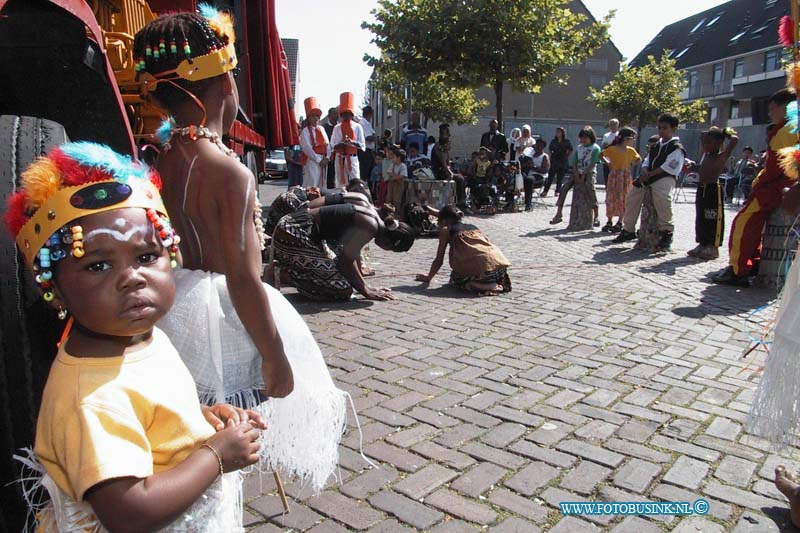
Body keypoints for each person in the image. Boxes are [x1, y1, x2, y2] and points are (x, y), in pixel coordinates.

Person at [135, 10, 347, 490]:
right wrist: (275, 355)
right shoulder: (230, 172)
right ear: (226, 86)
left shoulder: (160, 156)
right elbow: (242, 274)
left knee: (188, 427)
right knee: (229, 426)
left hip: (175, 309)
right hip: (223, 319)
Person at [6, 142, 264, 531]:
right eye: (98, 266)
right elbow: (129, 513)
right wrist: (216, 455)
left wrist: (204, 421)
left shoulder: (140, 336)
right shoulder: (89, 399)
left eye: (146, 257)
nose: (132, 277)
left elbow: (151, 419)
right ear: (55, 290)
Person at [712, 89, 797, 286]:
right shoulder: (788, 129)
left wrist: (759, 183)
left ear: (784, 108)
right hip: (781, 185)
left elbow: (777, 168)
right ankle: (751, 263)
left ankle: (738, 269)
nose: (770, 113)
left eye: (772, 108)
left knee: (744, 221)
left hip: (775, 187)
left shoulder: (786, 131)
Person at [272, 194, 416, 301]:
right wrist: (366, 291)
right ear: (389, 243)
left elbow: (351, 255)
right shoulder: (369, 226)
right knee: (342, 288)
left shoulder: (373, 219)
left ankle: (291, 270)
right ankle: (287, 274)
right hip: (293, 230)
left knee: (344, 280)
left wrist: (364, 286)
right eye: (390, 249)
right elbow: (345, 261)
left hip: (295, 227)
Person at [613, 113, 685, 251]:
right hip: (649, 176)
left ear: (674, 129)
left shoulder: (676, 147)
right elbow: (647, 160)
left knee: (662, 197)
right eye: (660, 128)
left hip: (665, 177)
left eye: (665, 128)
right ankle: (628, 229)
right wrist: (645, 170)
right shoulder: (657, 145)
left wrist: (651, 174)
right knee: (632, 196)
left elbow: (670, 165)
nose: (662, 131)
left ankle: (667, 231)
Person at [416, 205, 511, 295]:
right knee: (460, 273)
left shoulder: (446, 230)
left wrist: (428, 277)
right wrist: (426, 207)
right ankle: (494, 281)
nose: (438, 224)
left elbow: (439, 260)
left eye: (438, 221)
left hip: (484, 272)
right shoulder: (472, 227)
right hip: (499, 268)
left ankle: (488, 286)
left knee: (455, 280)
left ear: (444, 221)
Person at [689, 127, 739, 260]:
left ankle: (713, 246)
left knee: (712, 217)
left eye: (709, 143)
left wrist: (726, 133)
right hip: (702, 188)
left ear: (718, 143)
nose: (705, 146)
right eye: (704, 143)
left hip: (712, 190)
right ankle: (702, 242)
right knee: (701, 217)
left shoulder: (721, 156)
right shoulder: (706, 156)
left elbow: (735, 140)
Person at [550, 127, 602, 227]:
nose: (583, 140)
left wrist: (584, 174)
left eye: (585, 138)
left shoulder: (595, 148)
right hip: (577, 171)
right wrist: (576, 174)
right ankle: (559, 213)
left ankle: (596, 215)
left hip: (589, 172)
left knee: (591, 190)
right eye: (581, 138)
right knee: (564, 188)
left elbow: (593, 163)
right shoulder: (579, 148)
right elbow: (574, 162)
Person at [601, 127, 640, 232]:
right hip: (614, 176)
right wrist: (608, 163)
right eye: (632, 138)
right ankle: (609, 220)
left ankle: (619, 221)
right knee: (611, 197)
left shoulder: (631, 151)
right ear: (626, 138)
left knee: (624, 198)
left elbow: (638, 159)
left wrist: (631, 164)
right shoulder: (612, 149)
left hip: (625, 177)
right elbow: (601, 155)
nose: (633, 141)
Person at [330, 92, 366, 189]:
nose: (346, 116)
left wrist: (352, 143)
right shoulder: (337, 128)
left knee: (355, 180)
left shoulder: (357, 127)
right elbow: (332, 144)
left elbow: (362, 145)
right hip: (340, 157)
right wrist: (341, 145)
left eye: (348, 113)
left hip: (352, 157)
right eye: (344, 114)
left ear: (351, 114)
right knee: (340, 182)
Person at [299, 96, 330, 189]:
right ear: (308, 118)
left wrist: (327, 158)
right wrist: (318, 160)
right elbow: (306, 148)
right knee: (312, 182)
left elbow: (327, 145)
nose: (316, 118)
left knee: (322, 183)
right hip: (313, 160)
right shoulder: (305, 131)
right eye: (313, 116)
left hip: (323, 160)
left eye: (317, 116)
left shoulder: (322, 129)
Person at [542, 127, 573, 197]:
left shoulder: (566, 141)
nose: (557, 133)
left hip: (562, 161)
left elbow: (570, 149)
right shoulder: (553, 141)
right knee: (550, 177)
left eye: (559, 132)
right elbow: (550, 149)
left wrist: (567, 156)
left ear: (562, 133)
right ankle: (545, 191)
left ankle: (557, 191)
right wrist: (552, 154)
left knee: (560, 177)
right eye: (556, 132)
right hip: (554, 160)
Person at [521, 139, 550, 211]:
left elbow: (544, 170)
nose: (538, 147)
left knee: (529, 180)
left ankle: (528, 204)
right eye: (537, 145)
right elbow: (522, 165)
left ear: (543, 147)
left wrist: (533, 167)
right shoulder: (531, 155)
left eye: (540, 145)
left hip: (540, 177)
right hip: (530, 174)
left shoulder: (544, 157)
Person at [358, 105, 377, 181]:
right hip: (364, 151)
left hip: (368, 150)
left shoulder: (367, 123)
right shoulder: (363, 123)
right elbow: (368, 137)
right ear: (370, 114)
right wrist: (375, 138)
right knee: (365, 171)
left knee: (370, 170)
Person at [322, 106, 339, 189]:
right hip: (328, 157)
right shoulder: (323, 128)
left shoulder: (340, 127)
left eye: (337, 114)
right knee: (329, 178)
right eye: (335, 114)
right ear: (329, 115)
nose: (337, 116)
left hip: (339, 156)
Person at [601, 118, 620, 184]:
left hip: (618, 160)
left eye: (614, 124)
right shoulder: (606, 135)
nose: (613, 126)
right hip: (607, 160)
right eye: (611, 125)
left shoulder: (620, 135)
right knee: (607, 179)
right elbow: (603, 146)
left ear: (617, 125)